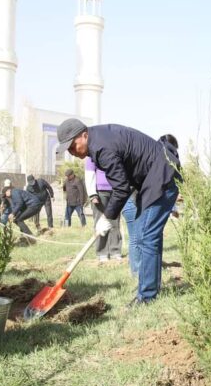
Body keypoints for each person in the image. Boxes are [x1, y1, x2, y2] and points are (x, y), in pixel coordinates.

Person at [57, 119, 180, 305]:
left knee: (147, 236)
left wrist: (106, 217)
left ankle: (146, 297)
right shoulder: (99, 140)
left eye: (73, 145)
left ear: (83, 135)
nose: (72, 151)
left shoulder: (101, 148)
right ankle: (150, 289)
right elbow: (125, 179)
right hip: (150, 179)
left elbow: (121, 188)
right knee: (148, 235)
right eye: (68, 149)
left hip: (161, 176)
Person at [85, 157, 123, 262]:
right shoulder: (92, 154)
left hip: (115, 190)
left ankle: (115, 251)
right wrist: (92, 194)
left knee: (115, 222)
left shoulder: (114, 151)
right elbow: (89, 172)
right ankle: (102, 252)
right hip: (100, 192)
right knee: (100, 222)